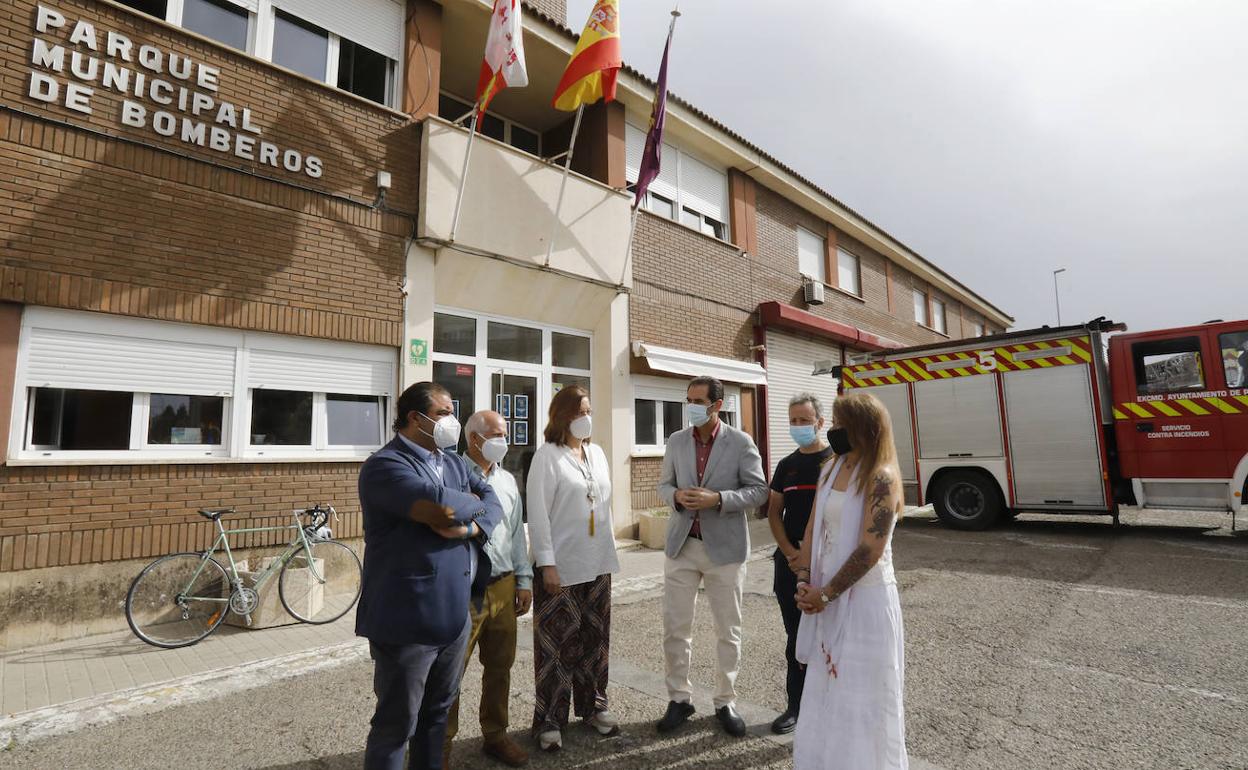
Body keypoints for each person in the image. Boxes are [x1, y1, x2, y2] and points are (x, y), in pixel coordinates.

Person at [356, 382, 503, 770]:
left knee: (435, 717)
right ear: (413, 418)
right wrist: (467, 504)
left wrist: (471, 526)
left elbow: (494, 502)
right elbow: (438, 507)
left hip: (453, 617)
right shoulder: (385, 466)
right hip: (406, 621)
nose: (450, 421)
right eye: (442, 413)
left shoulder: (454, 462)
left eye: (452, 412)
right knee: (396, 724)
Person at [792, 391, 907, 770]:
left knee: (861, 698)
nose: (835, 431)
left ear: (863, 429)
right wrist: (805, 579)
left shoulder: (882, 478)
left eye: (841, 424)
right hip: (825, 594)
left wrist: (825, 595)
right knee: (828, 692)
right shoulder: (831, 467)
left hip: (866, 603)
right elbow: (813, 525)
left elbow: (870, 550)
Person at [656, 376, 769, 737]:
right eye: (687, 398)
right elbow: (664, 484)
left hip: (725, 551)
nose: (690, 405)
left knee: (728, 630)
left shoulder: (740, 443)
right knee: (676, 628)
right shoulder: (676, 440)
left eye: (698, 400)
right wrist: (676, 497)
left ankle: (725, 700)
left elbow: (758, 490)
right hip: (682, 546)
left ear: (717, 405)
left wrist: (718, 500)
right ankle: (679, 699)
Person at [526, 385, 621, 751]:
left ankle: (594, 707)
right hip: (561, 568)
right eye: (581, 411)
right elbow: (538, 514)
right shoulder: (547, 456)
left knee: (595, 643)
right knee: (557, 648)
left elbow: (604, 506)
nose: (587, 418)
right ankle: (549, 720)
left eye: (589, 411)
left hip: (597, 563)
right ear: (564, 415)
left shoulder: (596, 453)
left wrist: (609, 552)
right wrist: (547, 563)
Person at [444, 410, 533, 768]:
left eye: (506, 434)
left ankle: (495, 734)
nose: (504, 441)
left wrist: (524, 580)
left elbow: (515, 535)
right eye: (497, 434)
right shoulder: (450, 475)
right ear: (474, 439)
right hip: (464, 589)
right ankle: (440, 747)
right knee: (450, 673)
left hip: (503, 585)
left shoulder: (508, 481)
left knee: (500, 666)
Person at [764, 393, 834, 735]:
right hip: (790, 564)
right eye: (793, 421)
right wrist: (791, 553)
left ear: (820, 423)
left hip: (829, 565)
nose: (798, 427)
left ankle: (832, 705)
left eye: (804, 421)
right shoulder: (786, 465)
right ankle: (796, 705)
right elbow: (774, 513)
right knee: (796, 637)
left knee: (832, 638)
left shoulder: (836, 461)